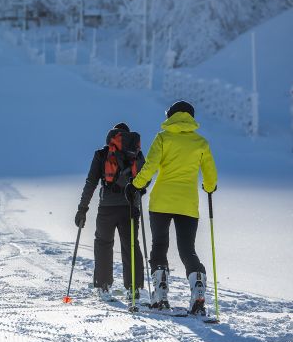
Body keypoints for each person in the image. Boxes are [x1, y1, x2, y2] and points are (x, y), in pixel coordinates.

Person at [125, 101, 217, 315]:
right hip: (188, 204)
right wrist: (209, 187)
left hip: (161, 202)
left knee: (159, 245)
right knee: (187, 250)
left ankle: (160, 295)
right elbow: (210, 177)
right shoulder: (200, 143)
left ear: (171, 116)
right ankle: (198, 290)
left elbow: (151, 167)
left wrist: (136, 185)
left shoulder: (163, 138)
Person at [75, 122, 145, 302]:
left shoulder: (102, 154)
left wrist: (82, 208)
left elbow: (91, 182)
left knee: (103, 244)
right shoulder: (136, 154)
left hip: (106, 208)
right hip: (130, 207)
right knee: (130, 245)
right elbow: (145, 179)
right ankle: (134, 289)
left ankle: (103, 286)